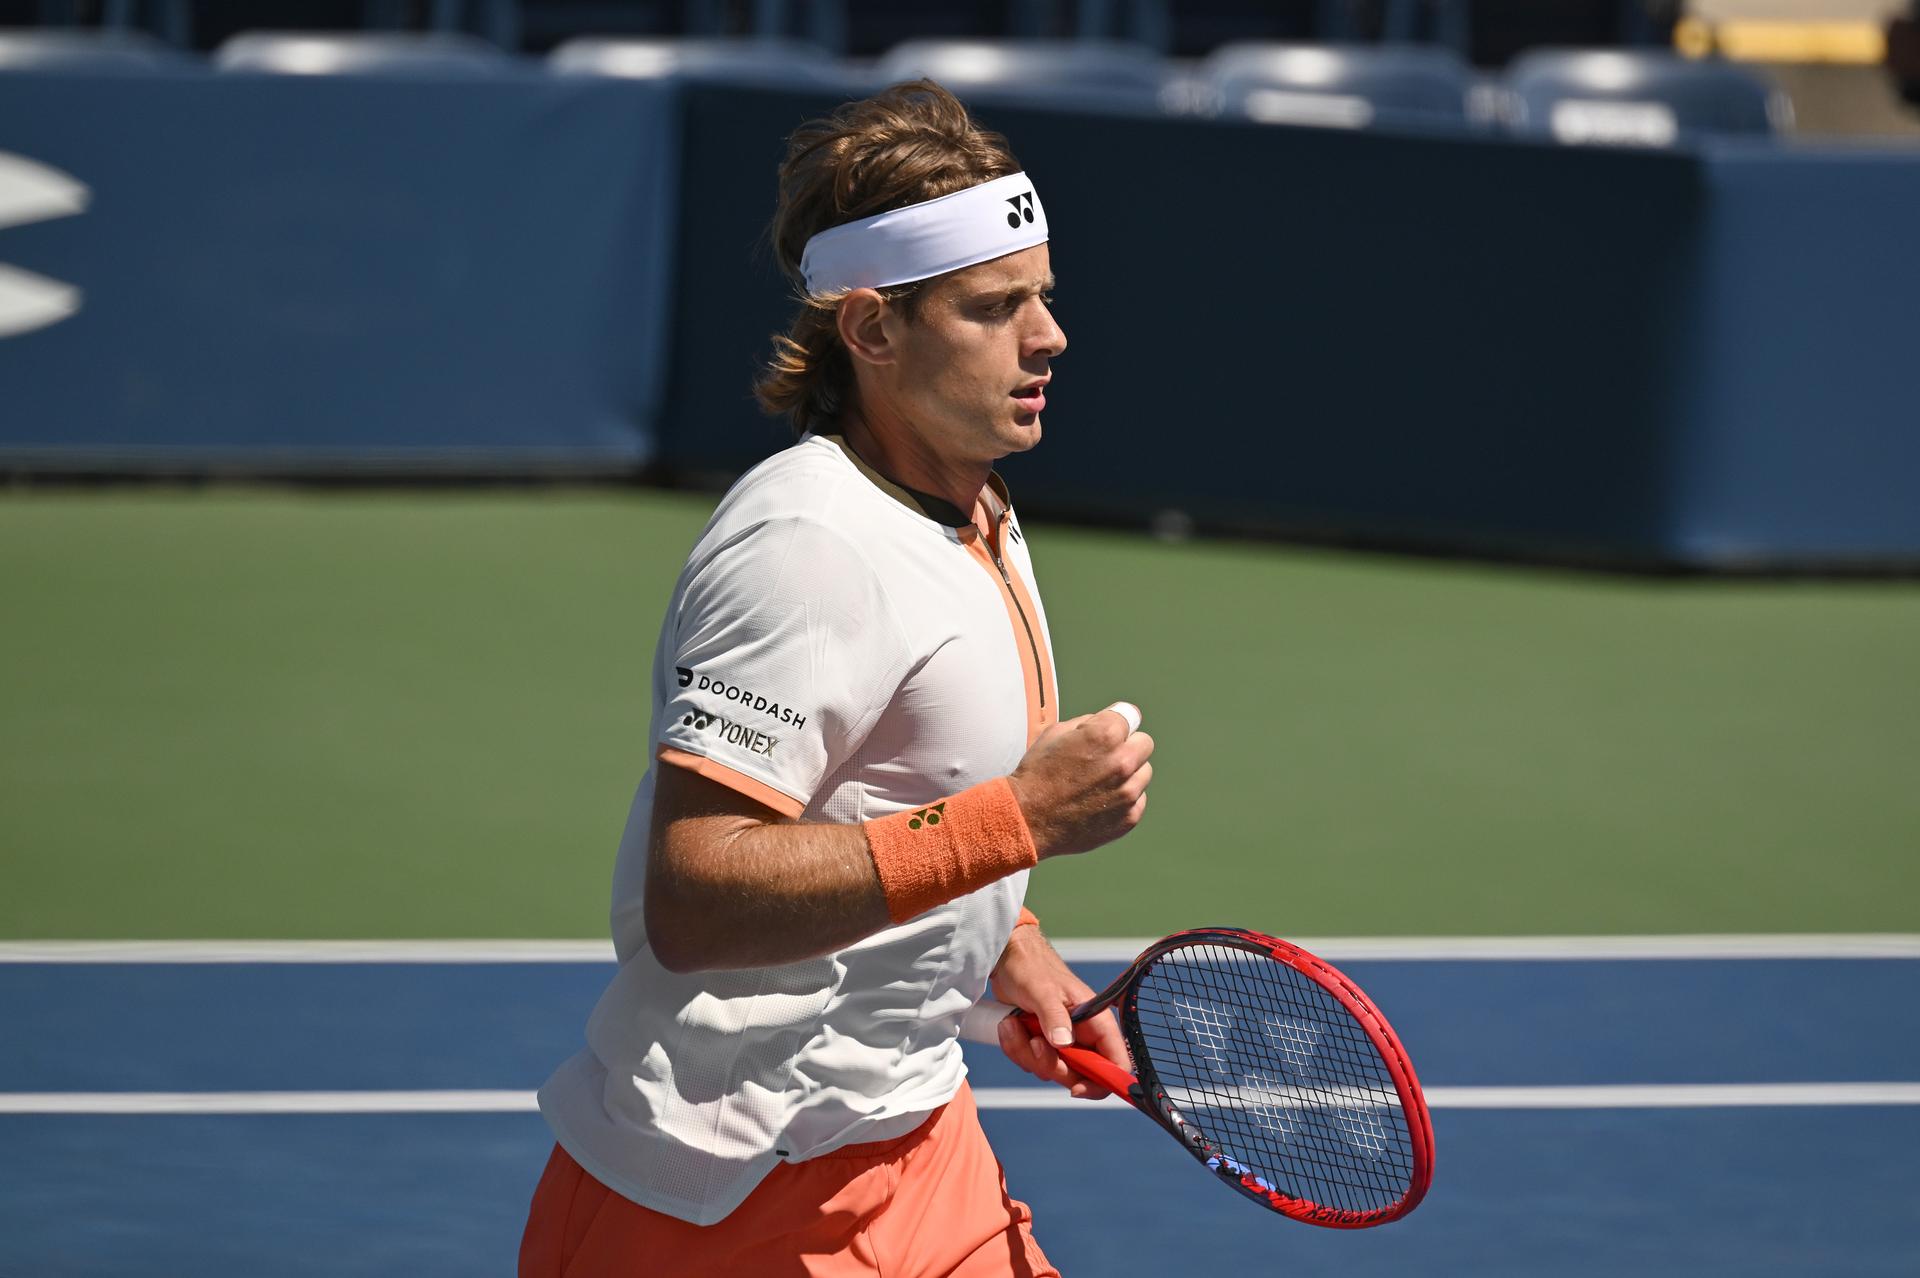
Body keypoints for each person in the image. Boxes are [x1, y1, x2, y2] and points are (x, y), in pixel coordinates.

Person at [520, 80, 1155, 1278]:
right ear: (871, 330)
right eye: (995, 307)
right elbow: (697, 898)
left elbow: (889, 796)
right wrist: (1016, 822)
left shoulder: (972, 501)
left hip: (919, 1140)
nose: (1049, 336)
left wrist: (1011, 950)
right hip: (730, 1206)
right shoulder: (805, 551)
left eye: (1045, 299)